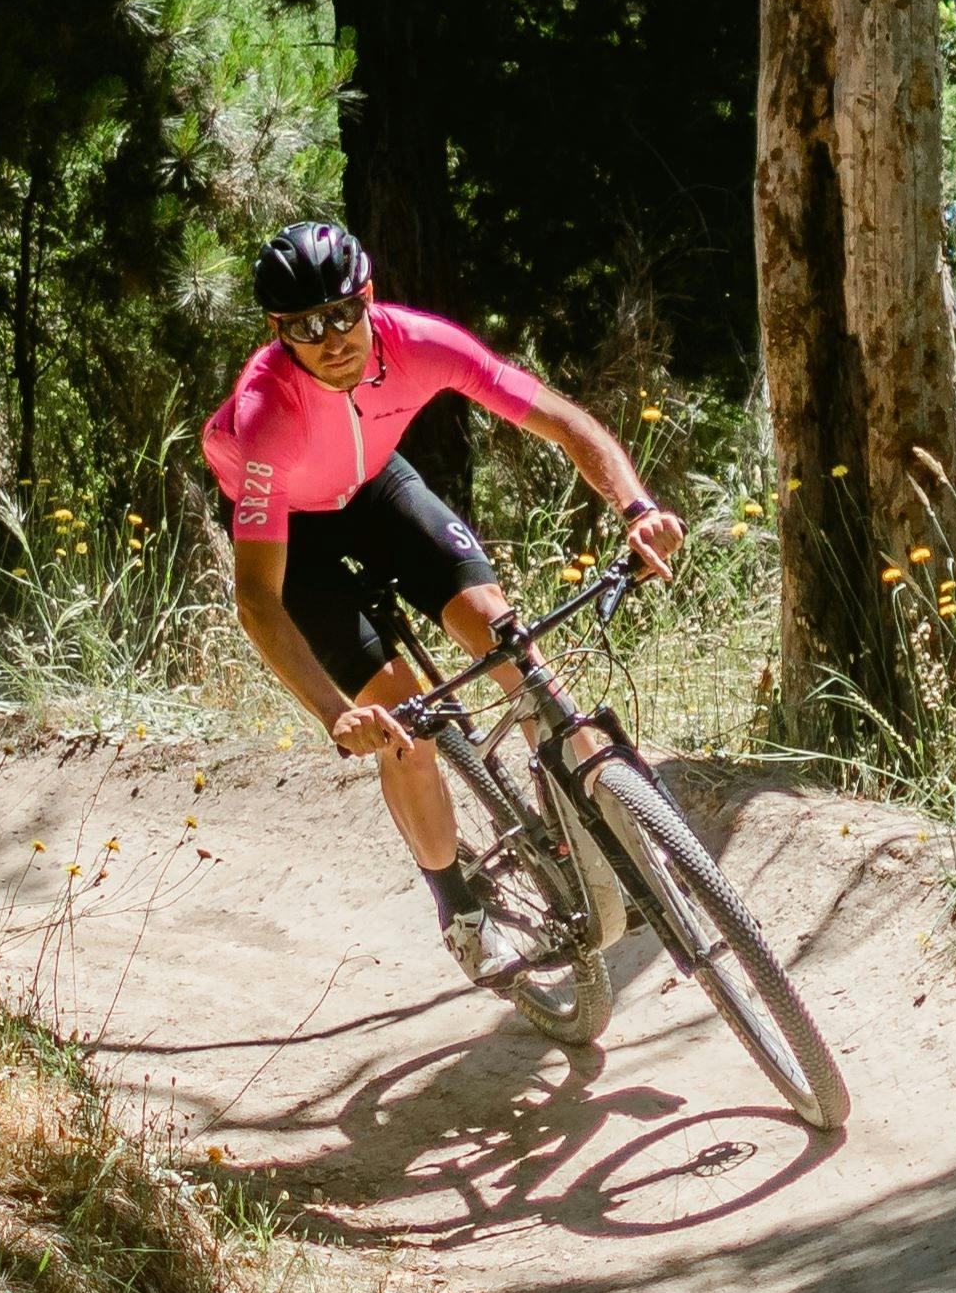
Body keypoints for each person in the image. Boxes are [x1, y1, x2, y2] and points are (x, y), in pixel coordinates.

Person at [208, 220, 682, 978]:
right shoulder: (267, 411)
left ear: (368, 296)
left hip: (376, 488)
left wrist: (637, 508)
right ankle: (459, 909)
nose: (331, 339)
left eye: (343, 313)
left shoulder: (420, 343)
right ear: (277, 330)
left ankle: (594, 798)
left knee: (505, 637)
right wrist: (335, 714)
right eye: (305, 326)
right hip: (296, 534)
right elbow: (257, 599)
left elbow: (563, 421)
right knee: (402, 721)